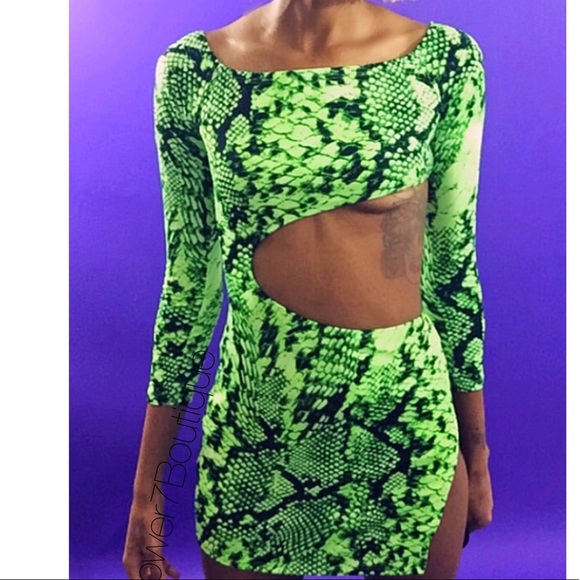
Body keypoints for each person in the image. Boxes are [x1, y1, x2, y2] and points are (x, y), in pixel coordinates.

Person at [123, 0, 494, 578]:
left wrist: (477, 453)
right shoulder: (194, 71)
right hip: (255, 433)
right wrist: (146, 496)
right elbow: (188, 287)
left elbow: (452, 269)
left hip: (403, 422)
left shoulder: (443, 62)